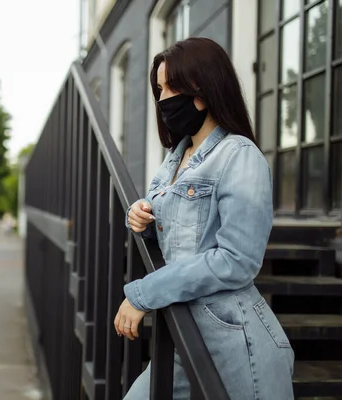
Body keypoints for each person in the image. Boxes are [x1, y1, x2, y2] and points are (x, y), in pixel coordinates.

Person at [115, 37, 295, 399]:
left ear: (205, 87)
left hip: (235, 342)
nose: (163, 98)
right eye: (159, 88)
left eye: (171, 87)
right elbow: (181, 234)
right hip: (183, 330)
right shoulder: (174, 158)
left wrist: (143, 295)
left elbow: (237, 260)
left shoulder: (240, 156)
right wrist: (144, 218)